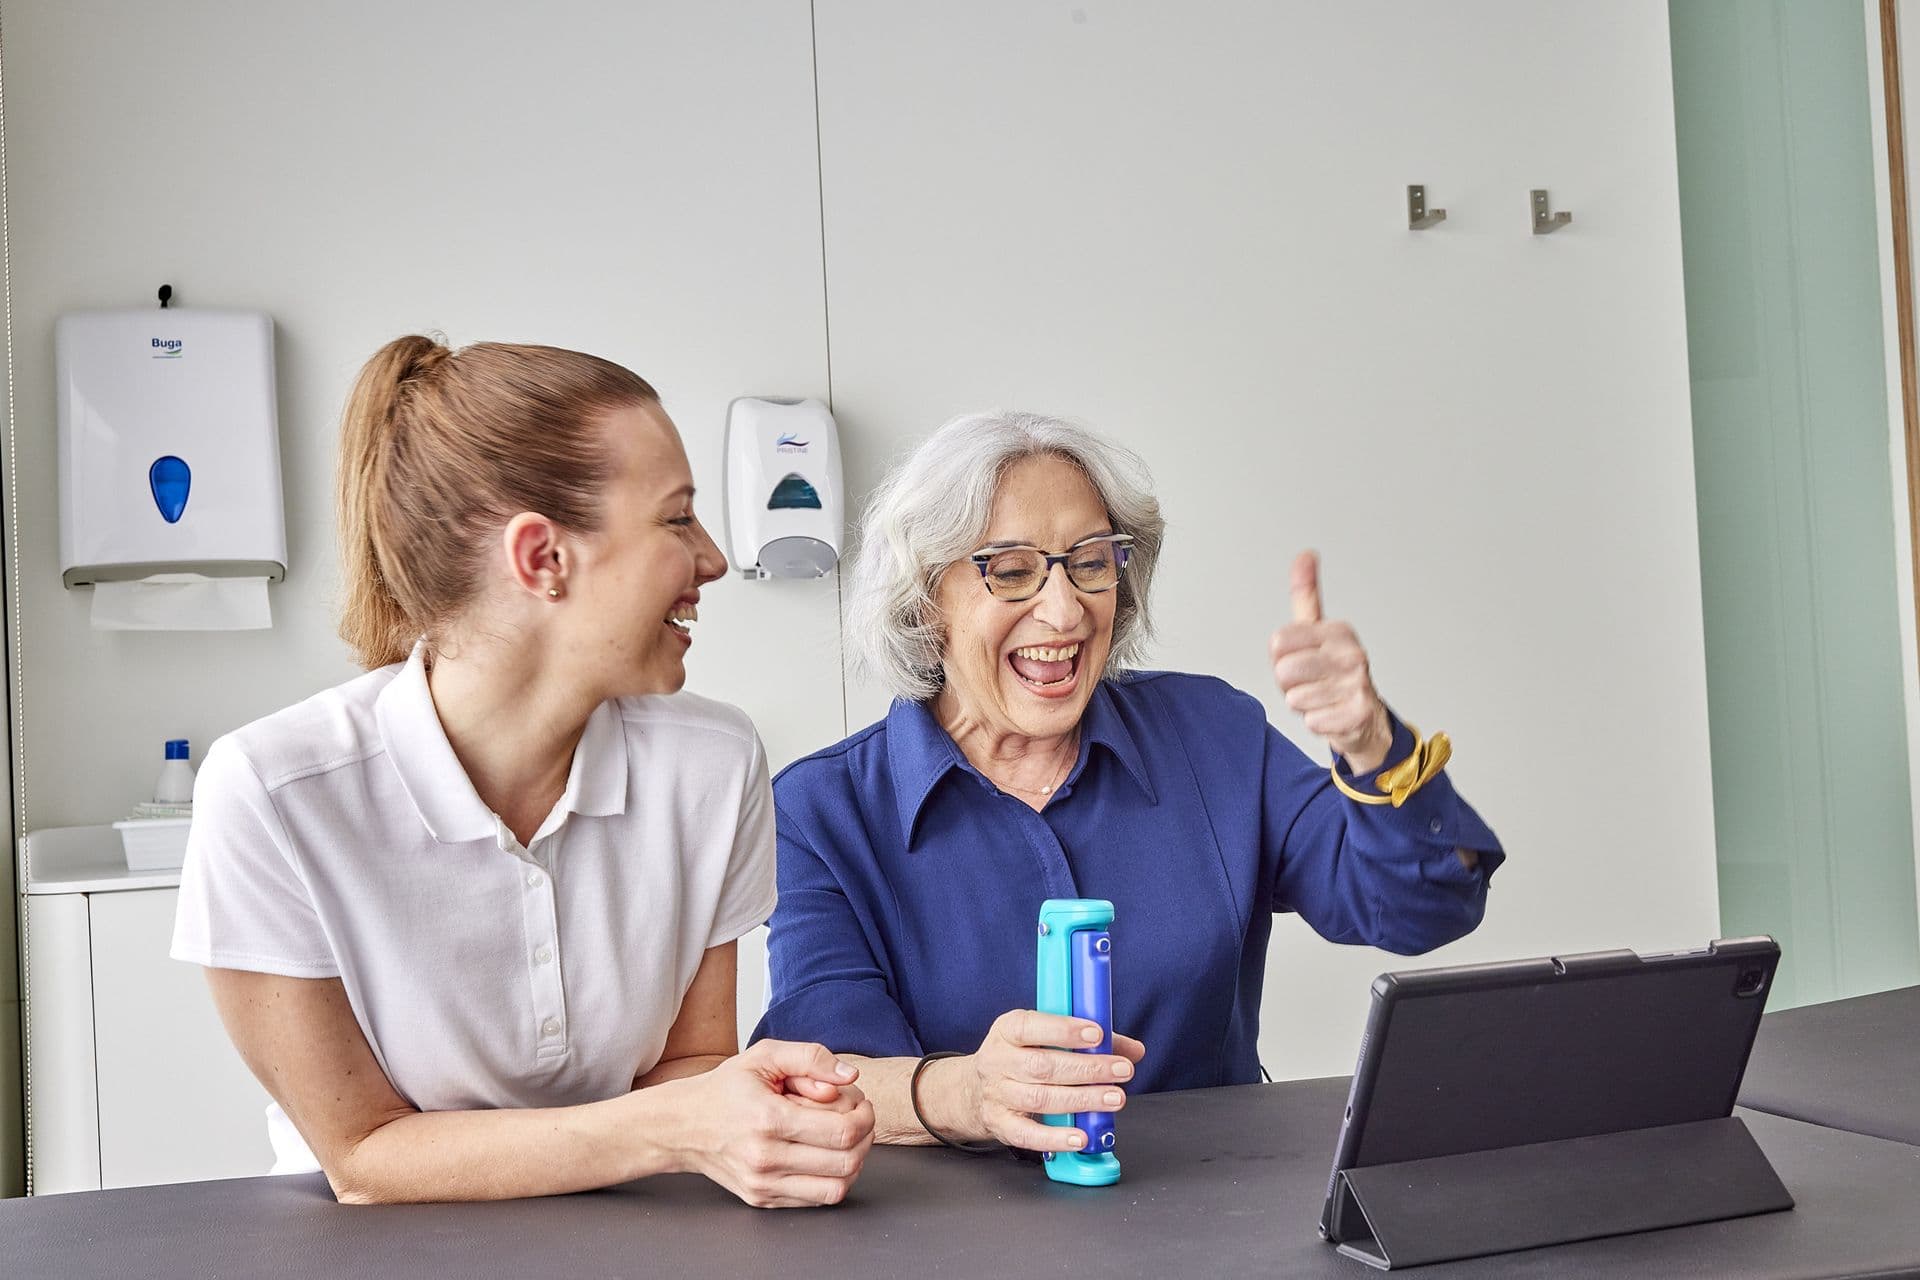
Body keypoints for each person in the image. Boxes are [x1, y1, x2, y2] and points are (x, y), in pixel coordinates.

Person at [171, 336, 873, 1205]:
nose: (713, 560)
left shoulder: (715, 763)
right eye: (676, 517)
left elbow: (693, 1067)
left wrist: (753, 1119)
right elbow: (362, 1156)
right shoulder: (272, 793)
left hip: (639, 1231)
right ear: (543, 558)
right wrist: (678, 1127)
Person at [753, 410, 1503, 1153]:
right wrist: (969, 1094)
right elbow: (828, 1076)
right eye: (1011, 570)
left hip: (1218, 1221)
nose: (1064, 608)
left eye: (1088, 561)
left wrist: (1371, 743)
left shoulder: (1214, 733)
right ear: (925, 600)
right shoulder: (819, 813)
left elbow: (1422, 908)